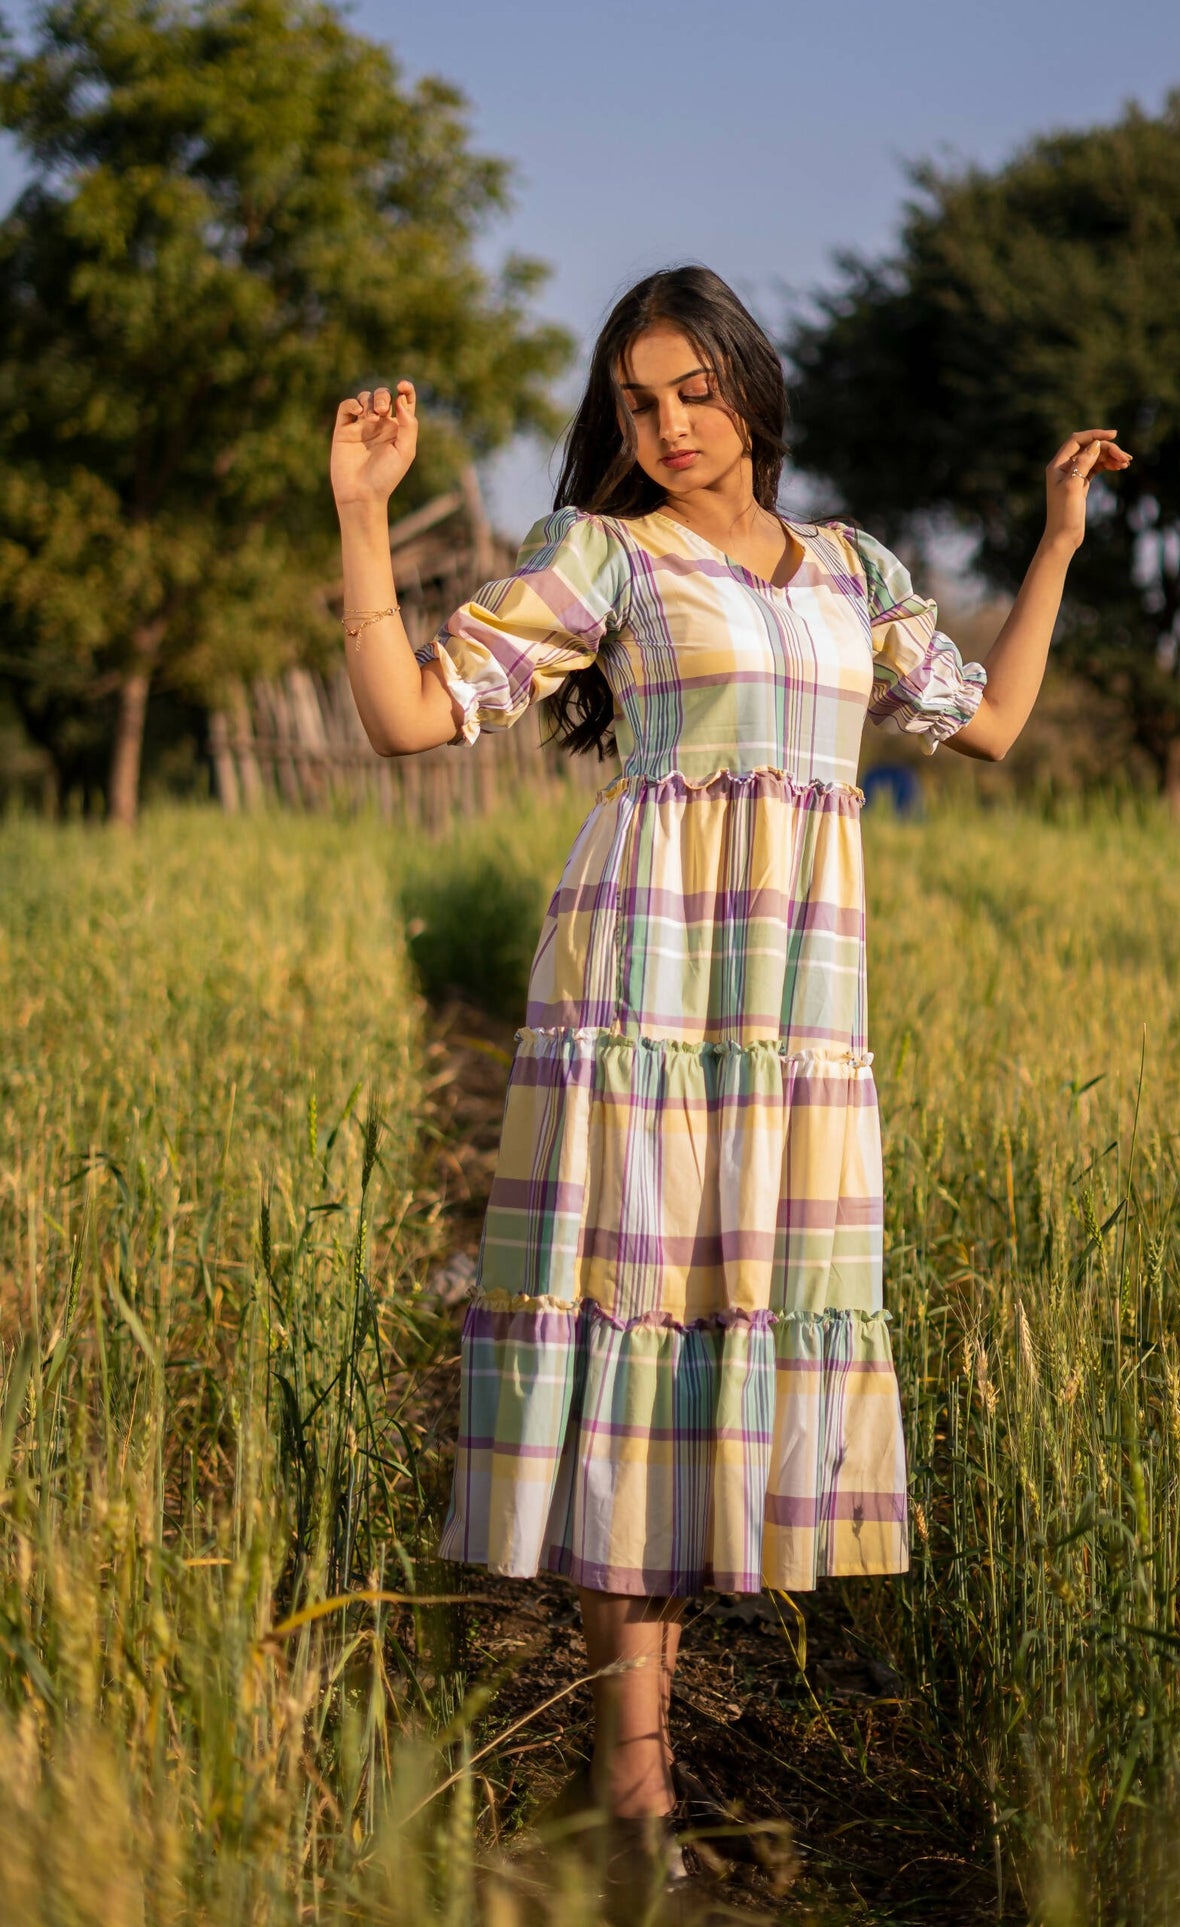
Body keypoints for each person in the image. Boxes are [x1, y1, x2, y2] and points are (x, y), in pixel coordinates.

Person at [328, 263, 1129, 1881]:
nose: (669, 425)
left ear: (751, 390)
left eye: (694, 390)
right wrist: (360, 515)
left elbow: (988, 727)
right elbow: (412, 720)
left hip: (793, 1007)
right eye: (637, 401)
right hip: (642, 982)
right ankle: (631, 1798)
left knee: (726, 1333)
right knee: (639, 1326)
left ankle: (643, 1779)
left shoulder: (852, 572)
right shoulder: (603, 557)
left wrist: (1050, 544)